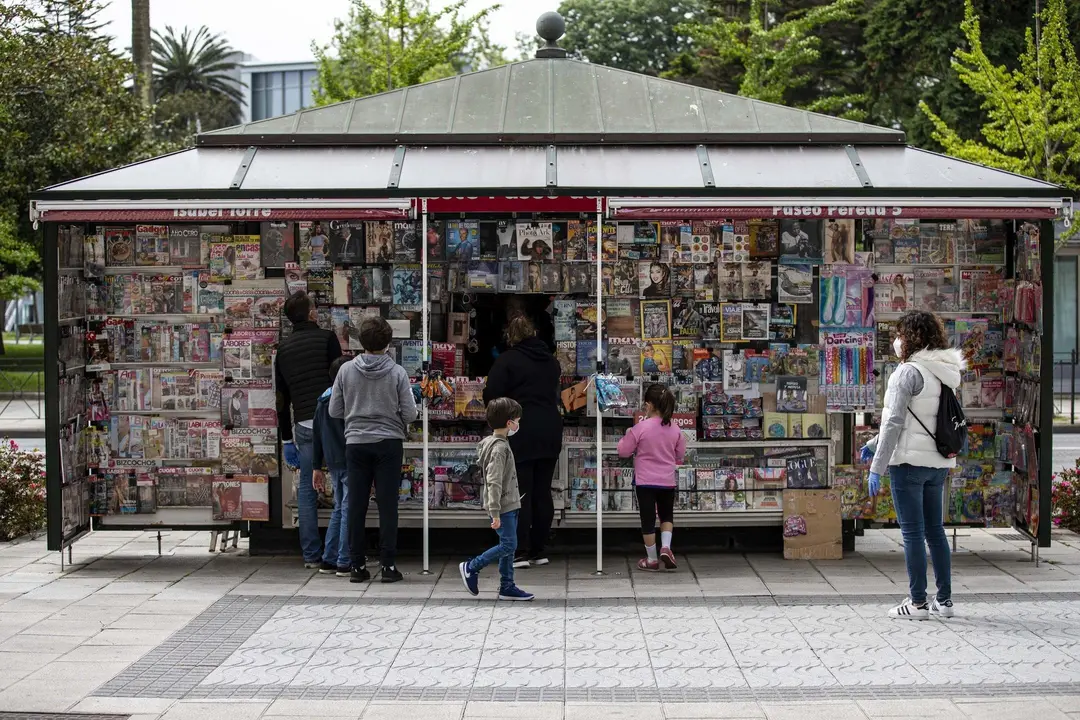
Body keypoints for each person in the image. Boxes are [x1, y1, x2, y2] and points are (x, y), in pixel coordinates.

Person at [860, 310, 964, 620]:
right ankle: (944, 601)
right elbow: (923, 419)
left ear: (910, 338)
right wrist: (873, 444)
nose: (897, 341)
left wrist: (877, 467)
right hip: (937, 463)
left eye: (901, 334)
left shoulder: (906, 373)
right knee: (935, 532)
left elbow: (894, 422)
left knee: (913, 535)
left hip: (907, 464)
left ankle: (917, 602)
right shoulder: (945, 372)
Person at [330, 316, 418, 583]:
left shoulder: (345, 371)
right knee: (387, 506)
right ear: (388, 342)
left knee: (356, 505)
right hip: (389, 444)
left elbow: (335, 409)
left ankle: (356, 566)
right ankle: (388, 565)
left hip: (356, 444)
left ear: (361, 342)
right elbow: (411, 413)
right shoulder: (397, 372)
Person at [483, 315, 562, 568]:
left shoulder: (507, 361)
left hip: (521, 429)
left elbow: (492, 394)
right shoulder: (551, 361)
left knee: (520, 492)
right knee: (542, 491)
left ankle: (521, 549)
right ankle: (539, 549)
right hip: (550, 428)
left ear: (511, 337)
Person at [275, 291, 342, 568]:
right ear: (312, 313)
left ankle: (311, 555)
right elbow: (341, 381)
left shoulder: (283, 350)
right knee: (342, 483)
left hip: (302, 424)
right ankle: (337, 552)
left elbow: (281, 398)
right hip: (331, 419)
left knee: (306, 488)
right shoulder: (327, 339)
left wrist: (286, 438)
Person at [458, 397, 534, 601]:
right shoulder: (500, 448)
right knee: (509, 545)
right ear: (509, 423)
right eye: (517, 420)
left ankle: (507, 585)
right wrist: (495, 512)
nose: (518, 424)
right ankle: (472, 566)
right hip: (504, 506)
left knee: (508, 546)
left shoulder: (495, 443)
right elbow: (494, 481)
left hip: (509, 503)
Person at [618, 384, 686, 570]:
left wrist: (626, 436)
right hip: (667, 481)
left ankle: (652, 559)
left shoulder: (641, 428)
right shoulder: (675, 428)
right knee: (666, 515)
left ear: (648, 405)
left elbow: (623, 451)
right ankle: (666, 547)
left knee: (647, 520)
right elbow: (680, 454)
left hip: (645, 481)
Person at [312, 357, 350, 577]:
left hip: (333, 462)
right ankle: (344, 560)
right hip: (349, 459)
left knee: (339, 508)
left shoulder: (322, 400)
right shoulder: (346, 399)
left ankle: (329, 558)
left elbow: (316, 435)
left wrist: (317, 466)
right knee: (348, 509)